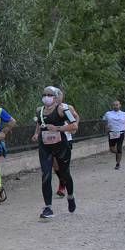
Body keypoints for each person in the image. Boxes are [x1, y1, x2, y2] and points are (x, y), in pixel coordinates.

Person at [31, 86, 79, 218]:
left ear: (56, 96)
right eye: (45, 94)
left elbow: (74, 125)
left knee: (65, 174)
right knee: (45, 175)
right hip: (45, 147)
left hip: (61, 146)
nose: (46, 97)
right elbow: (39, 124)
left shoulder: (62, 109)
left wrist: (57, 128)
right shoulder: (39, 110)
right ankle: (48, 208)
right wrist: (36, 134)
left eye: (50, 94)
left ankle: (70, 196)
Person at [52, 88, 80, 196]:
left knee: (63, 165)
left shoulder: (67, 107)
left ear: (62, 96)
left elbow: (76, 117)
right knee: (55, 166)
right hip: (52, 140)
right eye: (55, 94)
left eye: (60, 94)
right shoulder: (47, 109)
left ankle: (63, 186)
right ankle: (62, 181)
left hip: (65, 139)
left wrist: (74, 127)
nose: (57, 97)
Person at [102, 99, 125, 169]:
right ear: (112, 106)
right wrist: (106, 128)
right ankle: (118, 153)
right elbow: (104, 121)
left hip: (121, 132)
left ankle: (118, 164)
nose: (115, 106)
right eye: (114, 105)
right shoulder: (108, 113)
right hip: (112, 132)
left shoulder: (124, 114)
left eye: (117, 105)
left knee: (119, 147)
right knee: (111, 149)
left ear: (120, 105)